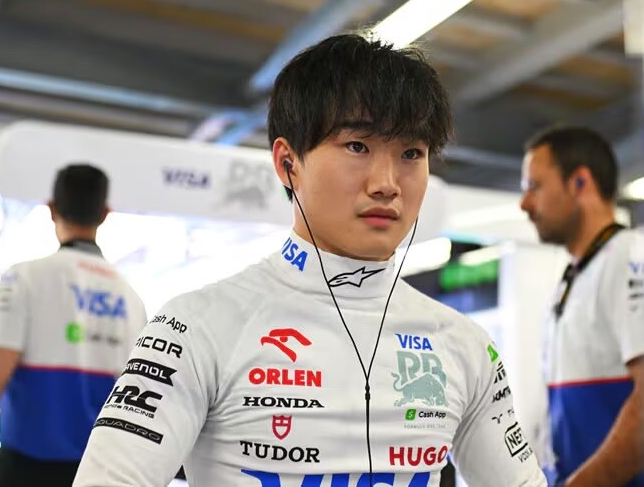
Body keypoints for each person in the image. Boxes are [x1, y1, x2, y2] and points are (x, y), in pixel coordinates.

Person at [73, 33, 547, 487]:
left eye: (410, 153)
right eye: (357, 146)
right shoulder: (196, 326)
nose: (386, 183)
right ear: (288, 164)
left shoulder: (464, 345)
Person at [0, 165, 148, 487]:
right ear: (105, 213)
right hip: (98, 476)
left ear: (51, 209)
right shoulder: (132, 299)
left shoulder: (24, 279)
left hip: (24, 473)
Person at [519, 126, 644, 487]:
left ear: (579, 183)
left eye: (534, 186)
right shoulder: (574, 276)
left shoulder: (632, 255)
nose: (525, 204)